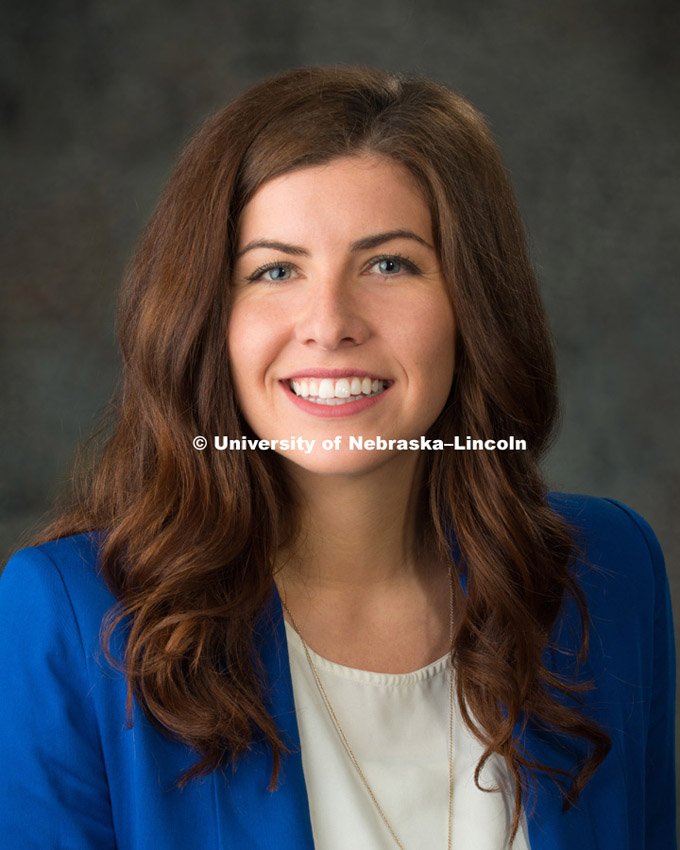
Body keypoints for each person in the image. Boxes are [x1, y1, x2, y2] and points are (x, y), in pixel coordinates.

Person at [0, 66, 675, 850]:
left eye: (388, 264)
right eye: (275, 271)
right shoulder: (73, 616)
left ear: (473, 304)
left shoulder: (607, 576)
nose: (330, 324)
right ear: (207, 321)